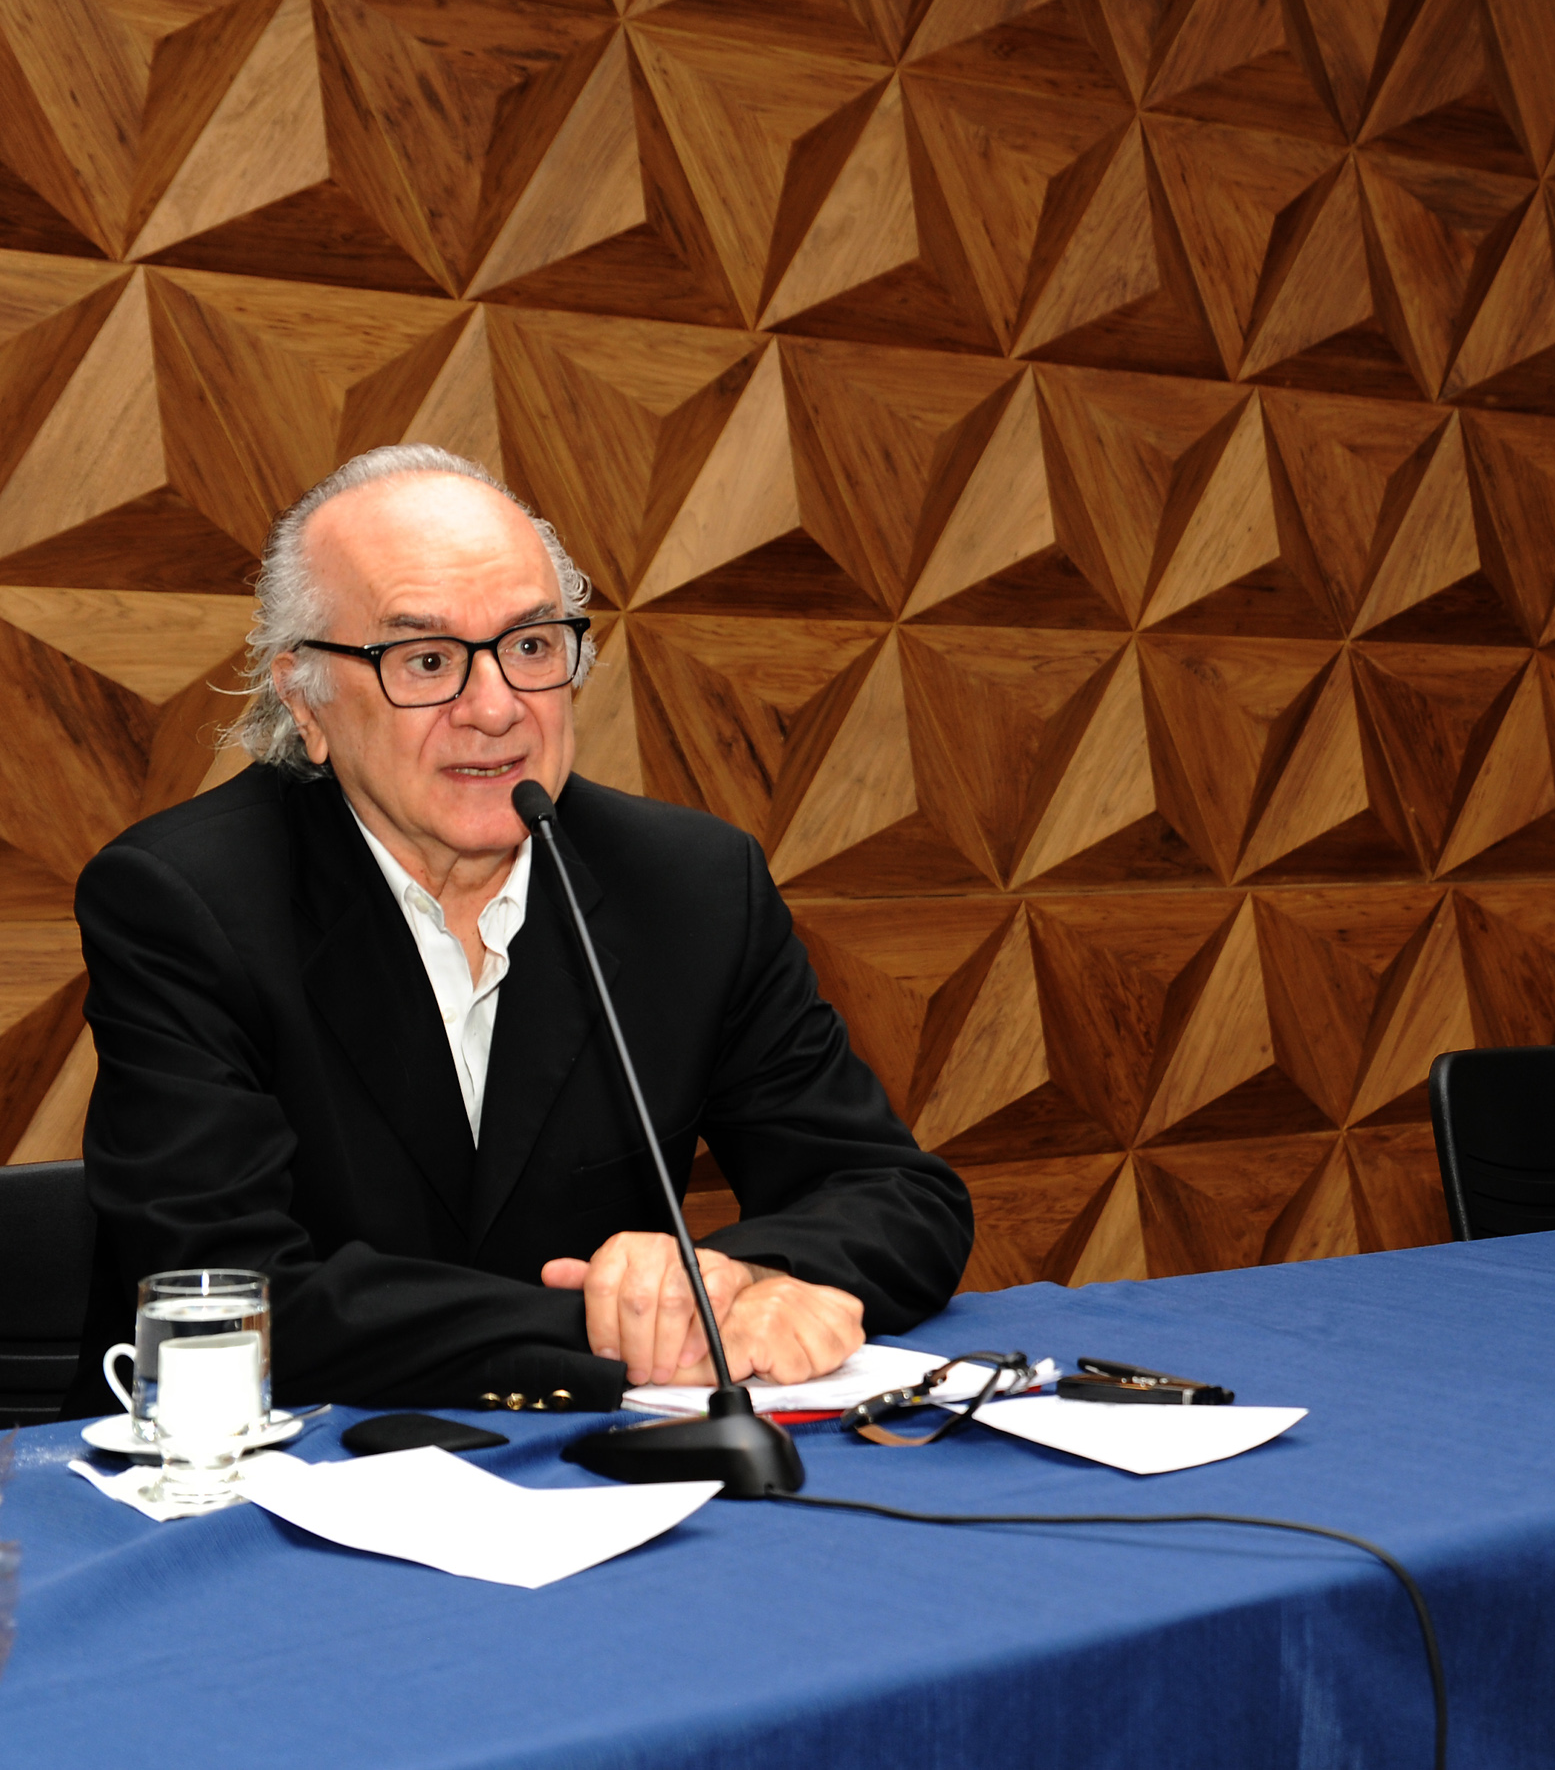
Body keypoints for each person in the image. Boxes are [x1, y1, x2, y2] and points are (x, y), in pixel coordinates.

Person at [68, 445, 974, 1417]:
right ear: (306, 700)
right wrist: (622, 1323)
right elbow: (225, 1291)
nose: (496, 708)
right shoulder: (184, 900)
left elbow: (896, 1193)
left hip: (599, 1481)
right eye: (425, 660)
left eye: (532, 647)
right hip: (263, 1478)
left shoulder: (692, 885)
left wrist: (741, 1276)